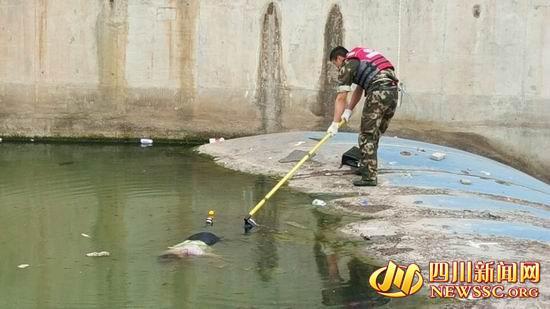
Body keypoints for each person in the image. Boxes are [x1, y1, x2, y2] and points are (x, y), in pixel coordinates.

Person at [326, 46, 399, 186]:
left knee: (367, 135)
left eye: (336, 65)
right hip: (393, 91)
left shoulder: (348, 63)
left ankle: (369, 177)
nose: (338, 69)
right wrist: (348, 110)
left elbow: (341, 97)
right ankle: (367, 167)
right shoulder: (361, 59)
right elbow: (360, 88)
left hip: (378, 91)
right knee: (375, 133)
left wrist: (335, 123)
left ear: (339, 58)